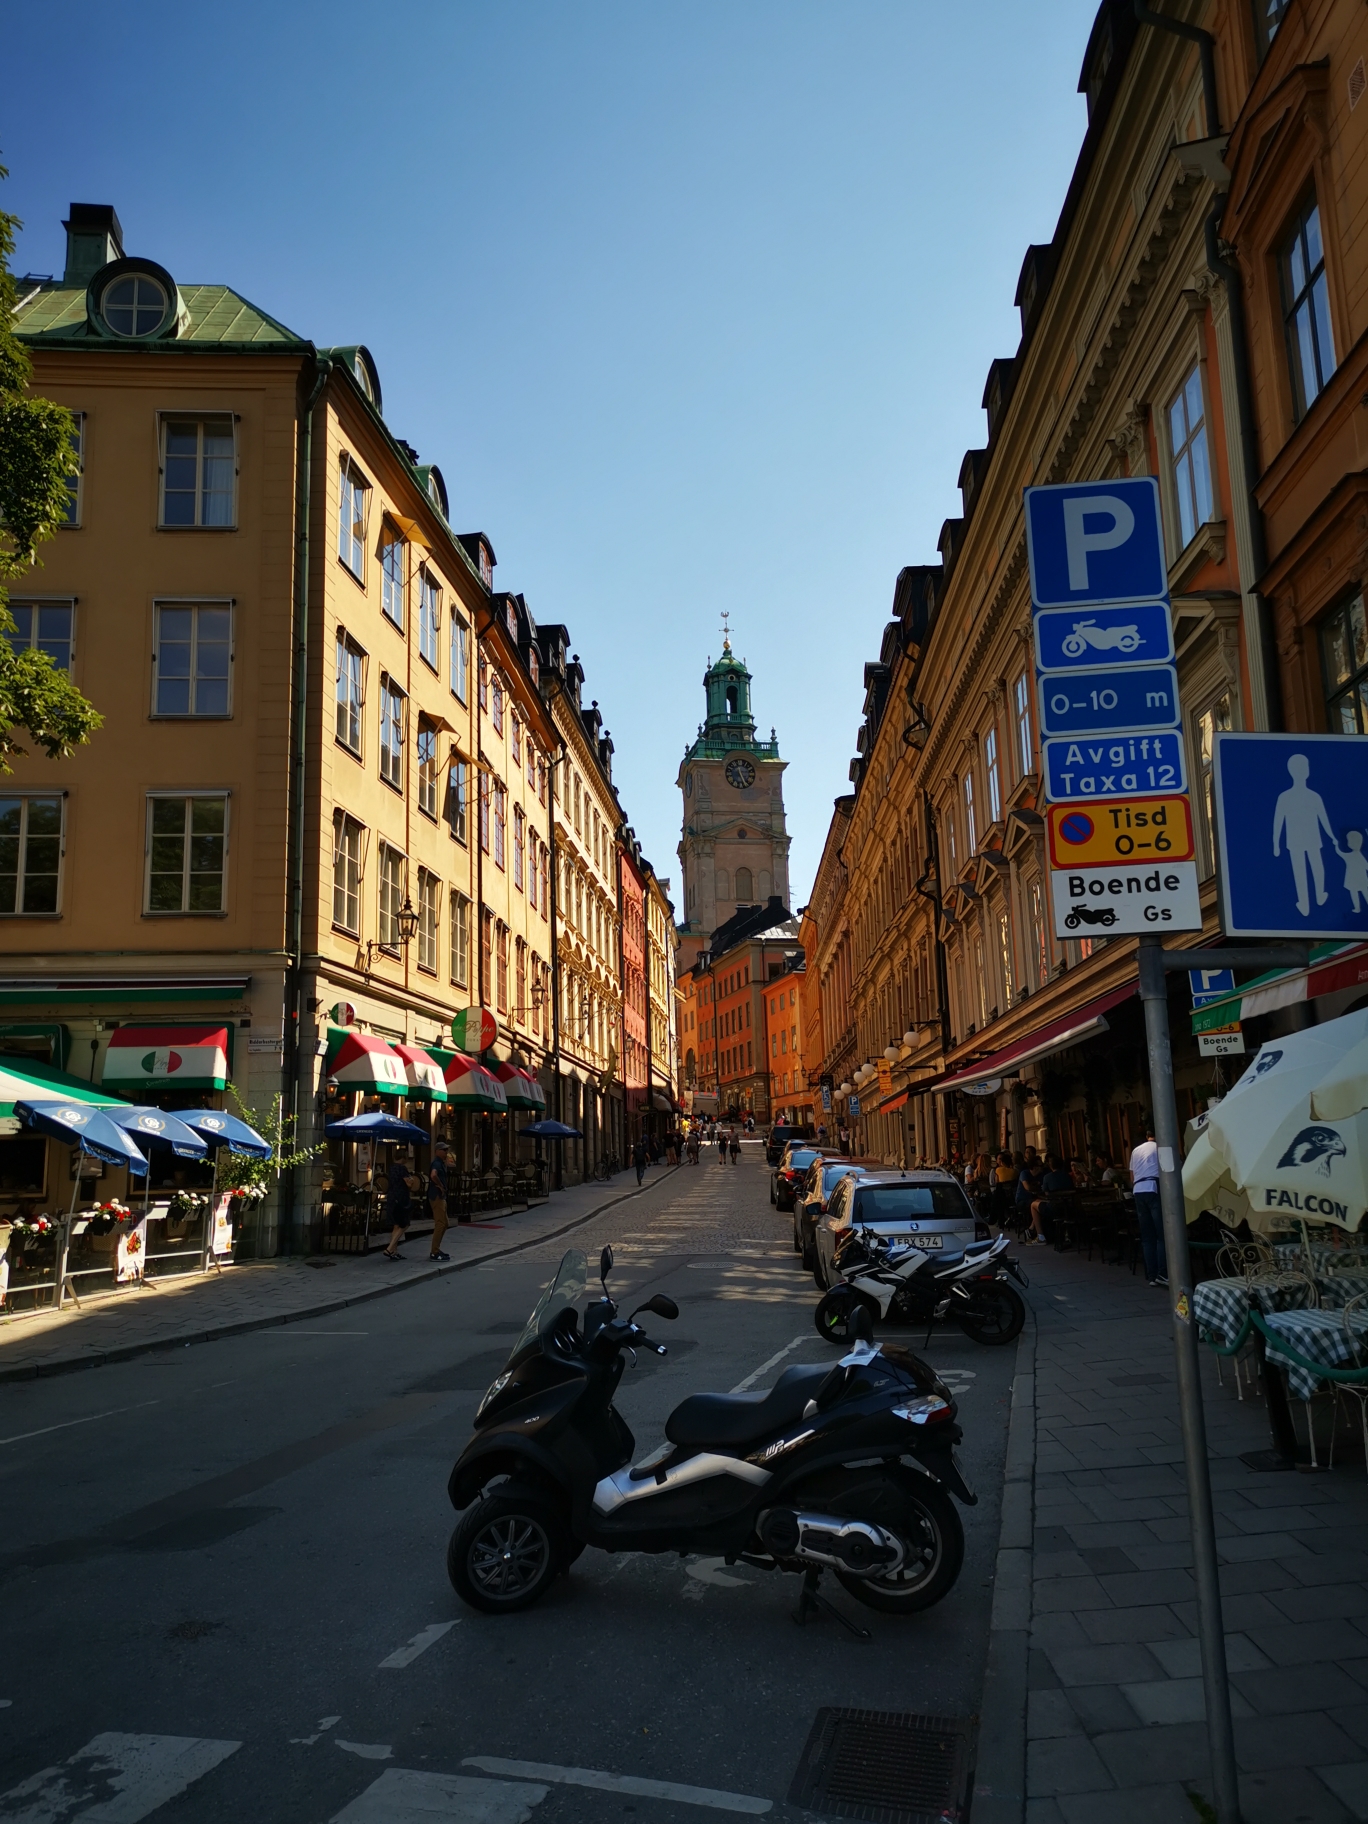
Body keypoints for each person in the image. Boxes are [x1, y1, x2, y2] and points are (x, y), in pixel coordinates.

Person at [1128, 1125, 1167, 1286]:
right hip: (1154, 1188)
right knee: (1161, 1235)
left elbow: (1132, 1176)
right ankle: (1163, 1273)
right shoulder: (1162, 1147)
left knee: (1147, 1236)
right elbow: (1170, 1170)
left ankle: (1151, 1275)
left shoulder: (1136, 1151)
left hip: (1138, 1190)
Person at [1032, 1154, 1073, 1246]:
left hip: (1054, 1207)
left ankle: (1040, 1236)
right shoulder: (1067, 1176)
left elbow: (1046, 1194)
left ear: (1050, 1165)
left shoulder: (1047, 1177)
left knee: (1033, 1205)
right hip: (1068, 1207)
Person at [382, 1151, 414, 1260]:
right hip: (401, 1198)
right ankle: (390, 1248)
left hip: (392, 1197)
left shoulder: (391, 1168)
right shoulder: (402, 1168)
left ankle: (394, 1252)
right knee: (404, 1224)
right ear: (404, 1157)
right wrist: (412, 1181)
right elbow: (408, 1183)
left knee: (396, 1225)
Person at [427, 1141, 452, 1259]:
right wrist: (440, 1186)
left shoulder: (441, 1162)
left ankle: (436, 1249)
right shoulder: (436, 1162)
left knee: (445, 1223)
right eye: (444, 1150)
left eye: (447, 1150)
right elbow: (433, 1175)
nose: (446, 1152)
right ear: (437, 1151)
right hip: (436, 1195)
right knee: (440, 1223)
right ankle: (434, 1252)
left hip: (441, 1196)